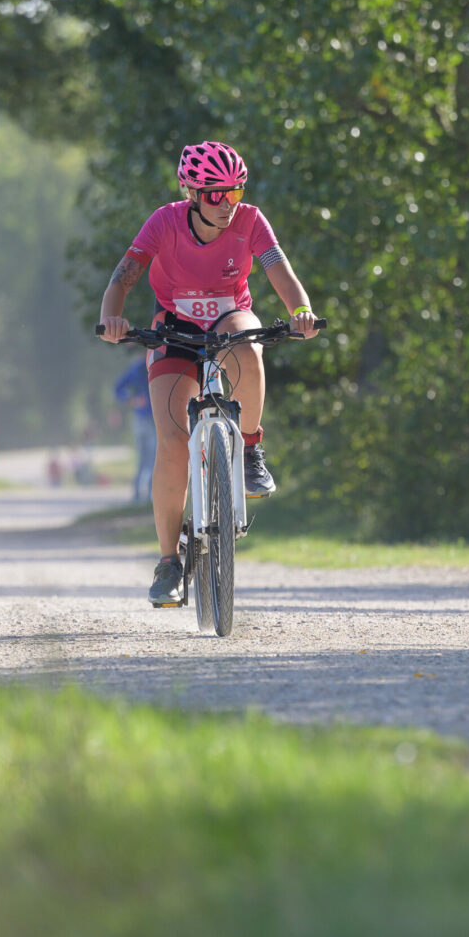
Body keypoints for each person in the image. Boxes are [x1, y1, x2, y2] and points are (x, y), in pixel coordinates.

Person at [98, 140, 319, 607]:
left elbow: (281, 274)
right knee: (173, 442)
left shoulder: (250, 220)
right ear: (192, 193)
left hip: (228, 318)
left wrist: (300, 310)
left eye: (234, 192)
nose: (226, 205)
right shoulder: (164, 221)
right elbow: (123, 277)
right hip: (173, 328)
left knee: (248, 341)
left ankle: (252, 450)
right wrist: (112, 319)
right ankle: (167, 562)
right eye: (216, 195)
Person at [113, 353, 157, 503]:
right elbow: (118, 388)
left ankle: (151, 494)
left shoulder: (155, 365)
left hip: (154, 418)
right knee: (144, 457)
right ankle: (139, 494)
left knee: (153, 456)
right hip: (141, 418)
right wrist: (132, 400)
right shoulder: (137, 369)